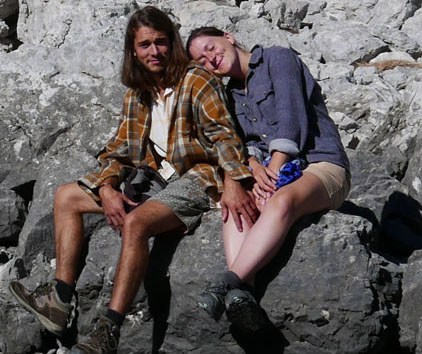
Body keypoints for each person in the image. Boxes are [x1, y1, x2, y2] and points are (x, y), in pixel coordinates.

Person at [9, 9, 255, 354]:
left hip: (198, 178)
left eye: (161, 42)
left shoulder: (197, 79)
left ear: (172, 44)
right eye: (145, 45)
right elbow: (118, 151)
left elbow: (225, 136)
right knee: (66, 196)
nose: (154, 51)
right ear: (133, 50)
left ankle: (108, 331)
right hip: (156, 180)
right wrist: (107, 188)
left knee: (136, 223)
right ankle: (59, 300)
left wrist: (234, 181)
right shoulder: (137, 94)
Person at [187, 27, 351, 331]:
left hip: (320, 164)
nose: (211, 60)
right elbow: (236, 143)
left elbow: (292, 121)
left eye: (211, 48)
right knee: (233, 204)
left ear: (229, 37)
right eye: (202, 61)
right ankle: (241, 298)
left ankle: (226, 283)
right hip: (269, 170)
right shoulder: (228, 94)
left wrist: (272, 175)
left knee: (281, 201)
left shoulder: (278, 58)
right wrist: (250, 165)